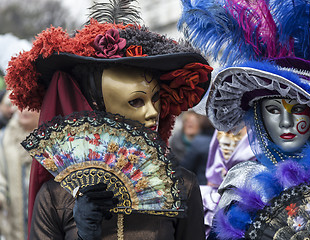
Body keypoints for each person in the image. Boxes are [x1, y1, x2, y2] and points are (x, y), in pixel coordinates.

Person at [5, 1, 212, 239]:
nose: (153, 112)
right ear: (99, 108)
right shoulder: (55, 198)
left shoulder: (182, 187)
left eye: (155, 99)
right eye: (135, 101)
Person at [179, 0, 310, 239]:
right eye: (273, 110)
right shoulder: (244, 186)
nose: (285, 122)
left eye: (297, 109)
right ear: (258, 116)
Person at [0, 109, 40, 240]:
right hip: (11, 230)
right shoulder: (3, 138)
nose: (24, 110)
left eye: (30, 105)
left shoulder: (54, 141)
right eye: (20, 104)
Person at [180, 115, 214, 185]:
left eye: (193, 122)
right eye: (187, 122)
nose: (189, 124)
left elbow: (185, 169)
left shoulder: (199, 142)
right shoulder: (175, 142)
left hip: (202, 187)